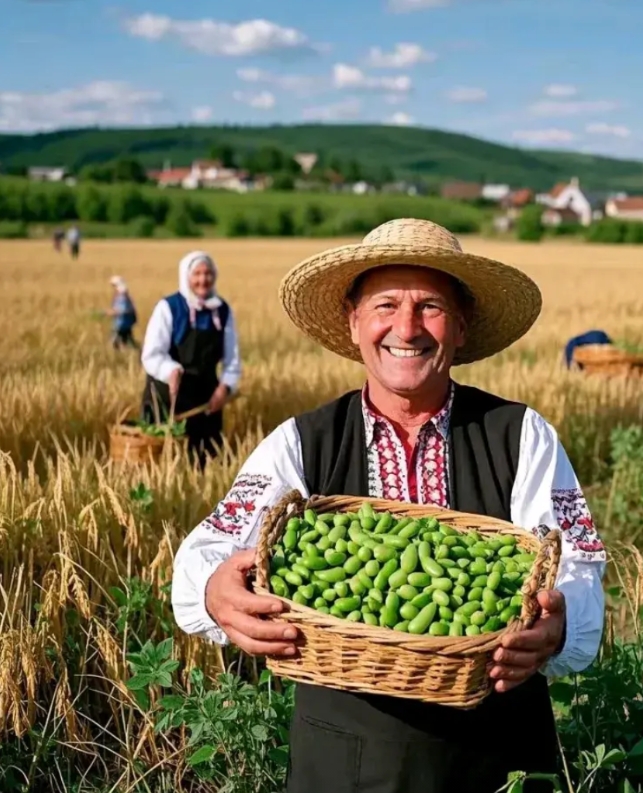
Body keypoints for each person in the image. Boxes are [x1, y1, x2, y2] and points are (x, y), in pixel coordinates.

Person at [170, 219, 606, 793]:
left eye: (430, 306)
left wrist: (559, 622)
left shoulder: (522, 435)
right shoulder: (301, 443)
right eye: (385, 305)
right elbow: (204, 552)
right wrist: (213, 592)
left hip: (497, 756)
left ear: (461, 325)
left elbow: (580, 566)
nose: (407, 327)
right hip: (344, 763)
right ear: (353, 322)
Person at [140, 250, 241, 467]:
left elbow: (232, 359)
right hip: (168, 396)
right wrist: (170, 369)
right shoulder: (169, 308)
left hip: (206, 398)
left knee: (205, 460)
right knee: (162, 462)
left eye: (208, 273)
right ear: (186, 277)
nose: (203, 279)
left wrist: (224, 388)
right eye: (197, 274)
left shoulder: (222, 311)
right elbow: (151, 354)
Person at [107, 276, 138, 349]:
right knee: (128, 342)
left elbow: (123, 310)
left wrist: (111, 312)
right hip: (125, 323)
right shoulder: (124, 295)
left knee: (114, 343)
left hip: (121, 324)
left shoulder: (121, 296)